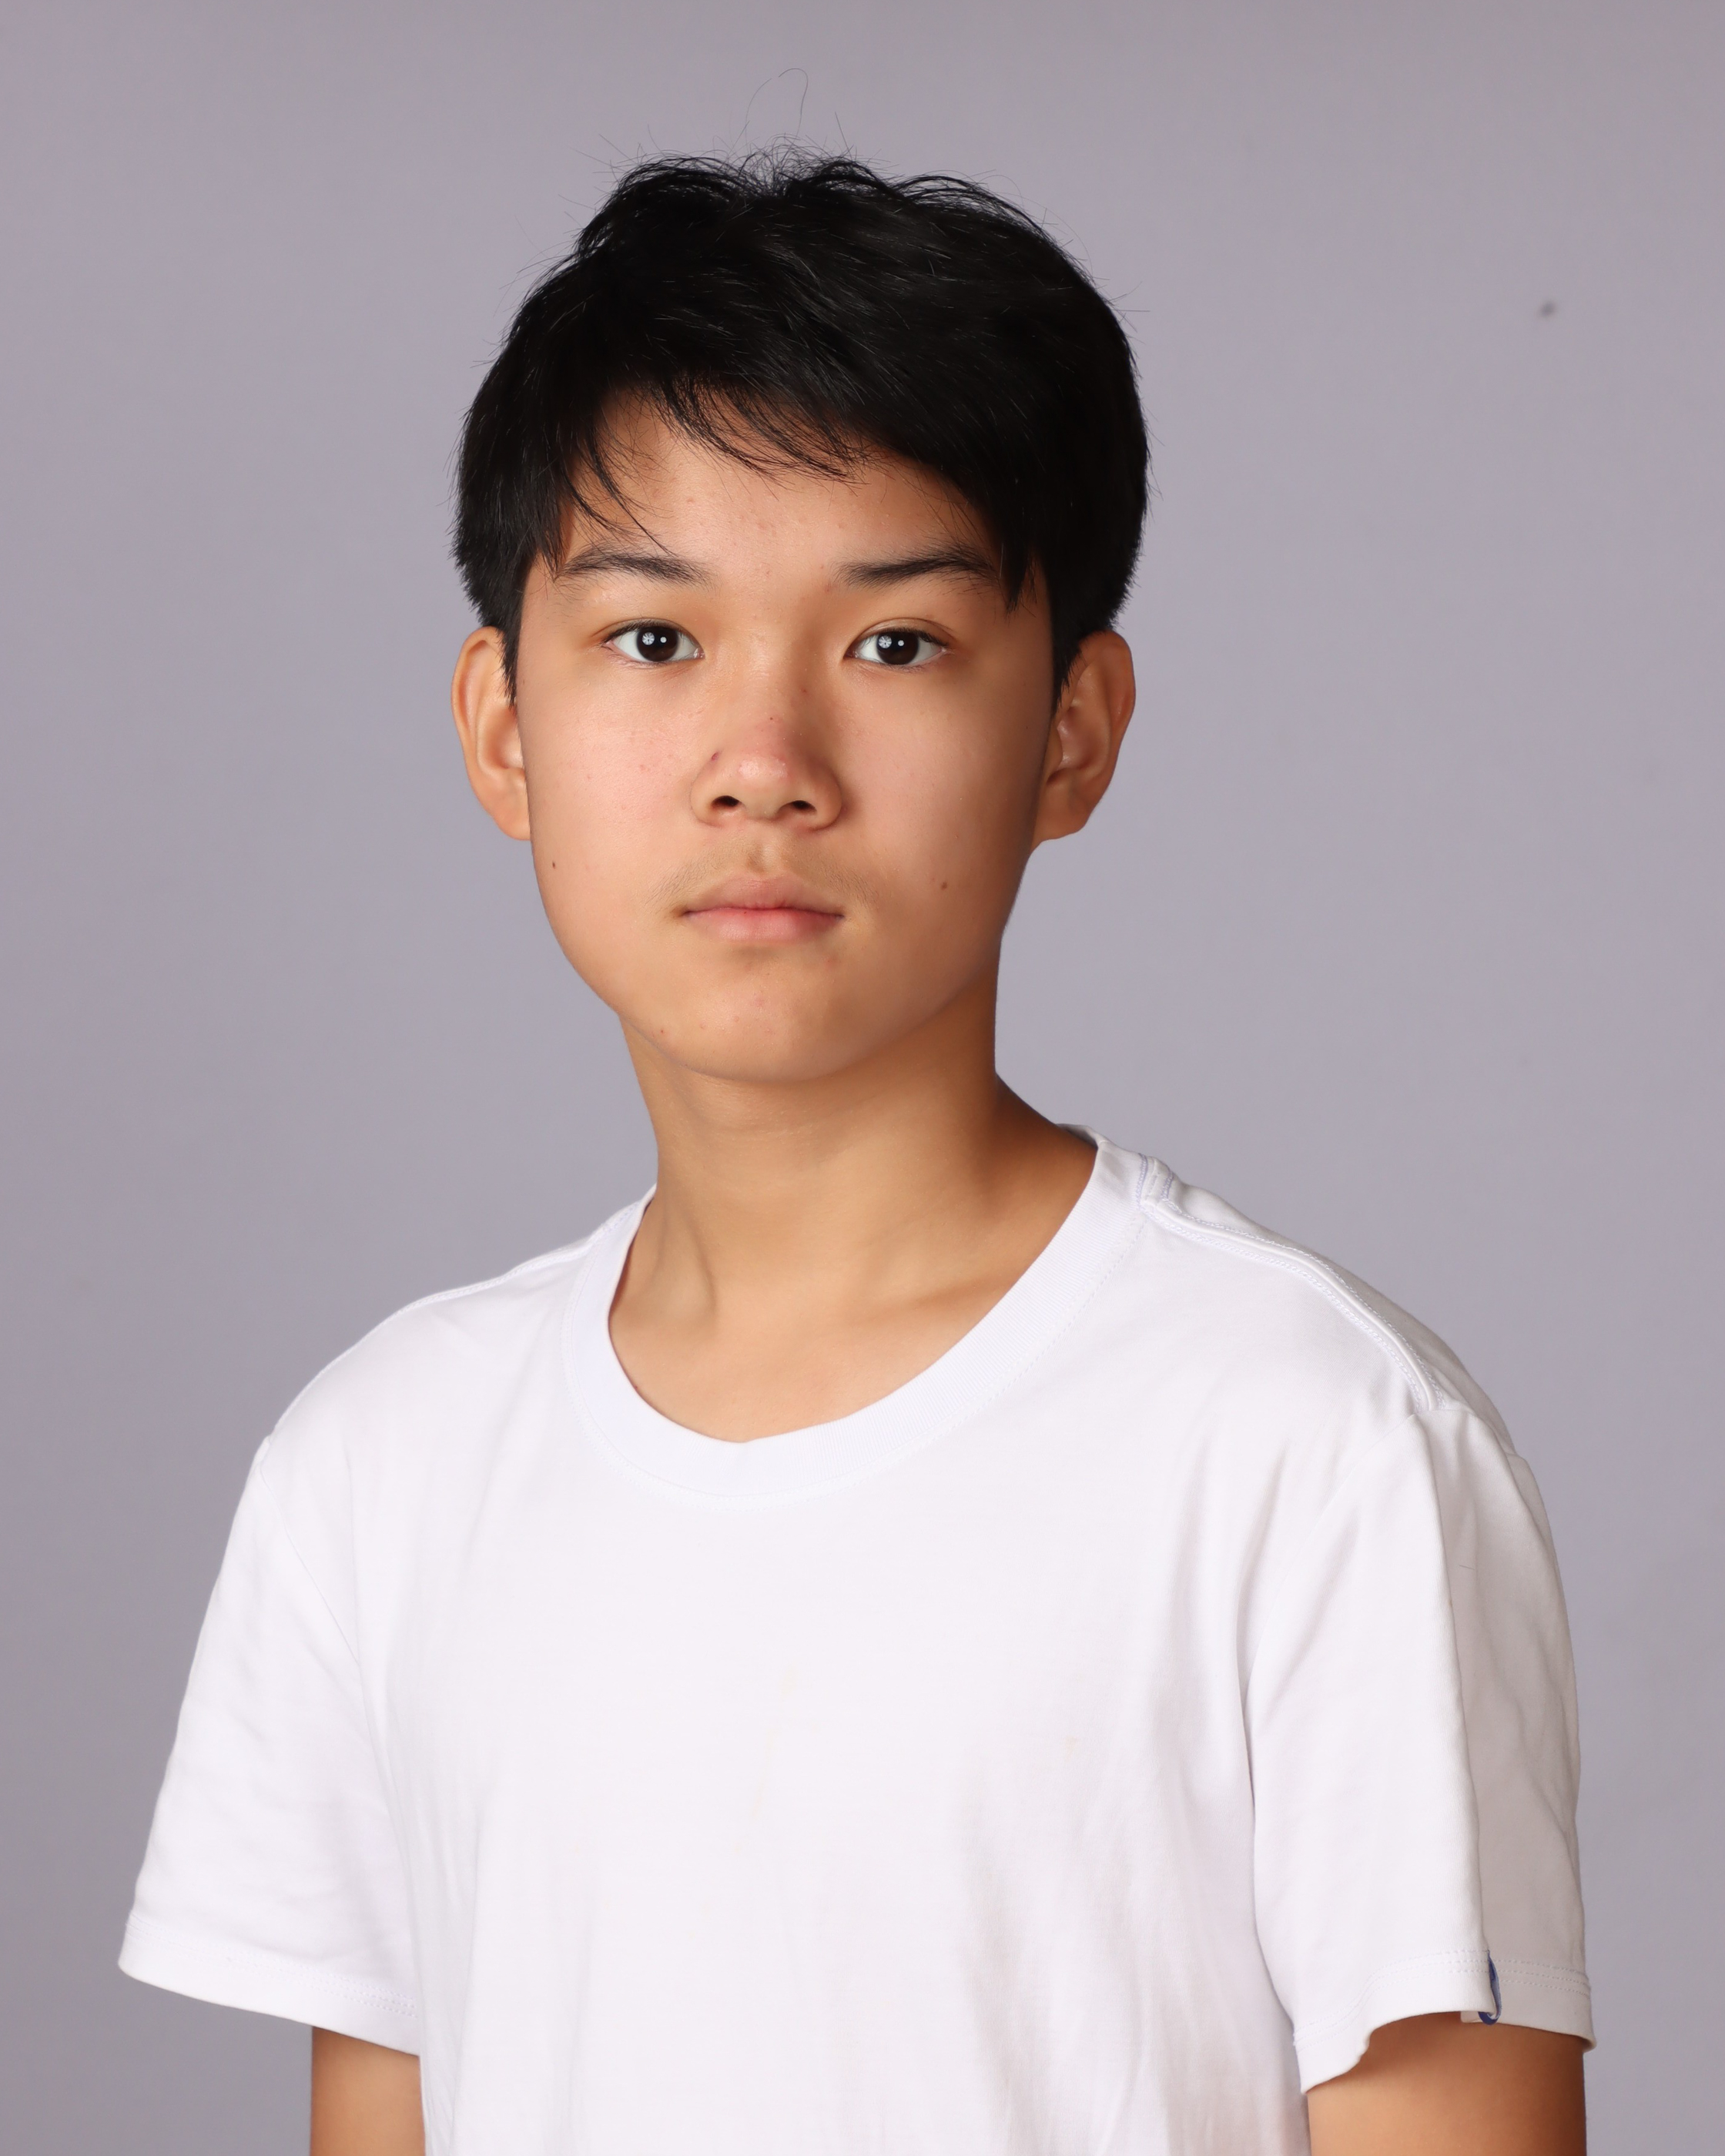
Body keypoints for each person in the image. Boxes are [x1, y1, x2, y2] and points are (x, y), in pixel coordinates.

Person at [120, 152, 1591, 2155]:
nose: (766, 765)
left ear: (1072, 731)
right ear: (502, 726)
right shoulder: (378, 1468)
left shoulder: (1311, 1447)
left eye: (895, 645)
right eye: (655, 641)